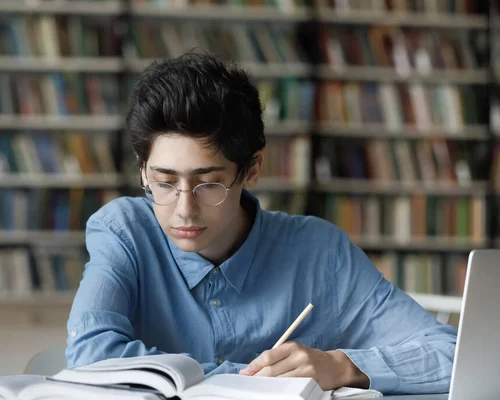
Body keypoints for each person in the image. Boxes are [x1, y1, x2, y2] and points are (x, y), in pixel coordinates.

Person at [65, 52, 457, 394]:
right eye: (164, 182)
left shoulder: (319, 252)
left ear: (252, 169)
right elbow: (90, 355)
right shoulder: (124, 232)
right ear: (142, 170)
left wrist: (341, 367)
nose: (184, 208)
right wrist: (248, 379)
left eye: (209, 183)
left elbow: (451, 354)